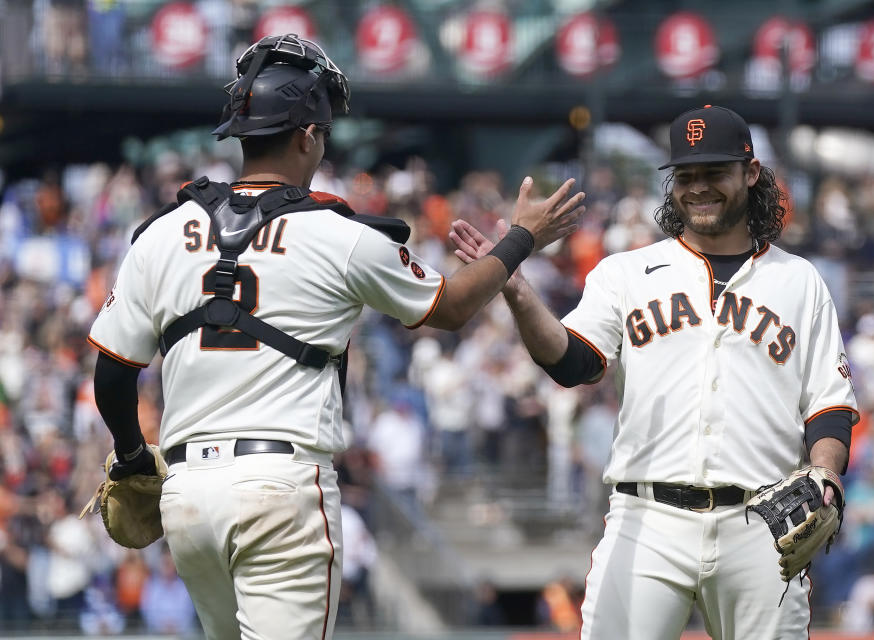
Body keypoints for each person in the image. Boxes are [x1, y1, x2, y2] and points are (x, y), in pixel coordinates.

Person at [86, 33, 584, 640]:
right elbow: (450, 307)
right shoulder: (335, 232)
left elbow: (112, 374)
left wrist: (135, 460)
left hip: (189, 497)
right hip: (281, 489)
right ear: (306, 134)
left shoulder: (161, 233)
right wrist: (522, 237)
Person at [451, 104, 859, 639]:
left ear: (750, 173)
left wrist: (825, 473)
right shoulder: (626, 272)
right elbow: (574, 362)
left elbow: (829, 406)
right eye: (686, 176)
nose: (699, 188)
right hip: (649, 521)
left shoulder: (799, 280)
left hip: (762, 525)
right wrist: (519, 293)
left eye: (714, 172)